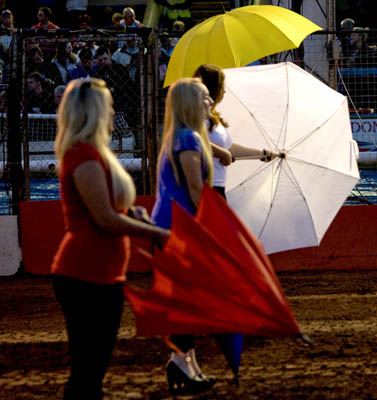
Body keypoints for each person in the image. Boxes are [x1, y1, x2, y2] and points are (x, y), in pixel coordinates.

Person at [51, 77, 169, 400]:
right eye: (109, 106)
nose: (114, 111)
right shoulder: (84, 155)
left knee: (91, 369)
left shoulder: (89, 153)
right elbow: (103, 218)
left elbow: (111, 210)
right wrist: (156, 232)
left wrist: (135, 217)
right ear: (95, 112)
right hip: (85, 274)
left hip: (95, 273)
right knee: (89, 370)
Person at [151, 78, 216, 395]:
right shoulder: (189, 139)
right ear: (191, 102)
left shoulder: (180, 136)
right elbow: (195, 190)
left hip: (169, 225)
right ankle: (182, 362)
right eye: (204, 97)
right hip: (179, 227)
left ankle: (187, 363)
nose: (210, 102)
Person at [193, 64, 277, 198]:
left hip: (218, 187)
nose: (224, 91)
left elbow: (228, 148)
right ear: (213, 88)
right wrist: (223, 153)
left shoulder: (213, 117)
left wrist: (261, 154)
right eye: (222, 86)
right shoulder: (194, 114)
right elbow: (194, 141)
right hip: (204, 187)